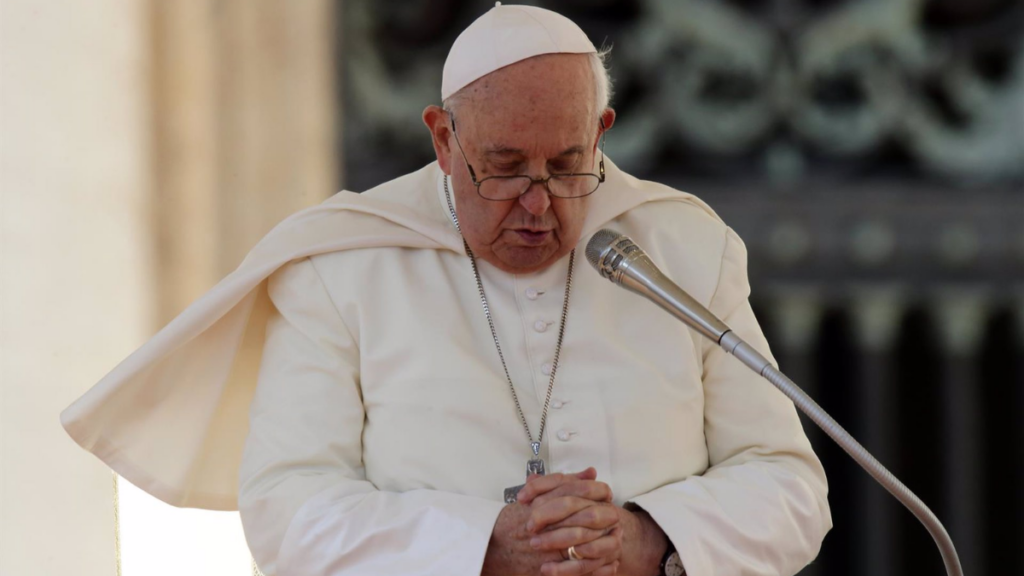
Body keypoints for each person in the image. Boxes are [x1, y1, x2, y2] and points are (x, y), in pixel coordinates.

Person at [61, 4, 830, 576]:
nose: (537, 202)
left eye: (567, 166)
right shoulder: (343, 266)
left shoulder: (680, 251)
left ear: (601, 133)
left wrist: (648, 536)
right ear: (441, 139)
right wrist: (483, 546)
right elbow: (288, 513)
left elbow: (792, 489)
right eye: (502, 167)